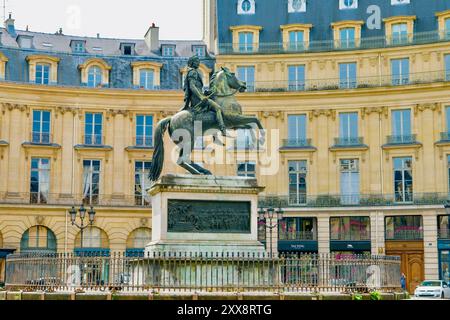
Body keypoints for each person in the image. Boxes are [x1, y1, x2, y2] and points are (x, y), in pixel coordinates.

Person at [182, 55, 228, 137]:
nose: (198, 63)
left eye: (198, 61)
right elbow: (192, 86)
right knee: (217, 108)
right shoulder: (192, 72)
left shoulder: (193, 72)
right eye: (197, 61)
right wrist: (201, 97)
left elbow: (197, 88)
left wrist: (205, 93)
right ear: (192, 63)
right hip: (197, 100)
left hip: (198, 97)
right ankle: (222, 128)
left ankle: (214, 133)